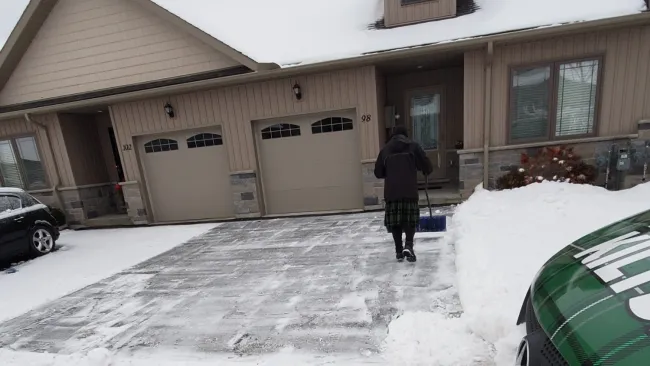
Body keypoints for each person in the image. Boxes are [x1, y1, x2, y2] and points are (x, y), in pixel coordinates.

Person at [374, 125, 433, 262]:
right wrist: (424, 169)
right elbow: (427, 166)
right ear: (406, 135)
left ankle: (399, 251)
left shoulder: (385, 150)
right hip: (409, 191)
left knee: (395, 222)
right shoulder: (413, 147)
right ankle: (409, 245)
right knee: (409, 220)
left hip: (392, 192)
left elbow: (378, 172)